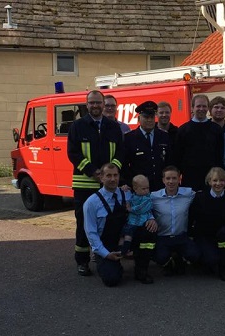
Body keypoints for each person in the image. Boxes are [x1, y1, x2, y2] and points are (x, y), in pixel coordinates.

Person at [67, 90, 124, 276]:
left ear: (103, 103)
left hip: (108, 185)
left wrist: (109, 173)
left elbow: (121, 153)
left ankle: (103, 254)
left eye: (98, 102)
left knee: (110, 222)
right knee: (84, 224)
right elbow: (73, 153)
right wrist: (93, 171)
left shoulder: (113, 127)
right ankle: (82, 261)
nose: (96, 106)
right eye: (91, 103)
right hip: (85, 184)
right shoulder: (77, 126)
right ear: (86, 104)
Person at [83, 163, 157, 286]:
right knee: (112, 280)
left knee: (149, 230)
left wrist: (151, 218)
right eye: (108, 175)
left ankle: (141, 269)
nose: (113, 179)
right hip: (106, 246)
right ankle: (109, 263)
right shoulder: (91, 203)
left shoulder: (127, 193)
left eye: (115, 175)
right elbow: (91, 233)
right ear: (101, 178)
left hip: (127, 237)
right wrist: (106, 254)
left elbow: (143, 208)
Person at [188, 168, 225, 281]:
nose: (218, 183)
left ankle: (224, 269)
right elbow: (191, 218)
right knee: (211, 260)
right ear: (209, 181)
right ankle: (204, 261)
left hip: (221, 236)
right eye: (215, 180)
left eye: (221, 180)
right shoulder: (200, 197)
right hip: (204, 236)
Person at [150, 165, 200, 276]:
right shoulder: (154, 197)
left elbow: (205, 195)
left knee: (195, 255)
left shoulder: (188, 194)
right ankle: (167, 263)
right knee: (159, 257)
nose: (171, 181)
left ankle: (180, 258)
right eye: (168, 178)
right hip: (163, 237)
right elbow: (142, 206)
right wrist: (151, 218)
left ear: (179, 179)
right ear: (163, 180)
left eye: (174, 178)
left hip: (181, 236)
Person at [174, 94, 224, 191]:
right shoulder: (183, 130)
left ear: (208, 108)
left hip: (212, 180)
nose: (201, 109)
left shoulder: (216, 129)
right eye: (198, 106)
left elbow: (220, 155)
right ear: (192, 108)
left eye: (204, 106)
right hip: (190, 180)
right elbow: (177, 157)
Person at [122, 100, 172, 191]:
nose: (149, 120)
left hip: (160, 188)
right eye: (146, 117)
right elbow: (124, 165)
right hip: (139, 189)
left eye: (152, 117)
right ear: (139, 119)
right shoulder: (129, 138)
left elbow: (169, 161)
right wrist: (130, 183)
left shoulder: (164, 136)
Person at [120, 174, 153, 257]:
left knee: (130, 235)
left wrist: (131, 209)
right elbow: (127, 198)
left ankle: (125, 250)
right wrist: (126, 189)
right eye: (143, 188)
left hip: (141, 222)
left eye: (147, 188)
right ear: (135, 189)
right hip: (131, 221)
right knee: (125, 233)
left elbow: (141, 208)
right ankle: (122, 249)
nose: (146, 190)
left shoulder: (148, 198)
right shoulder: (134, 195)